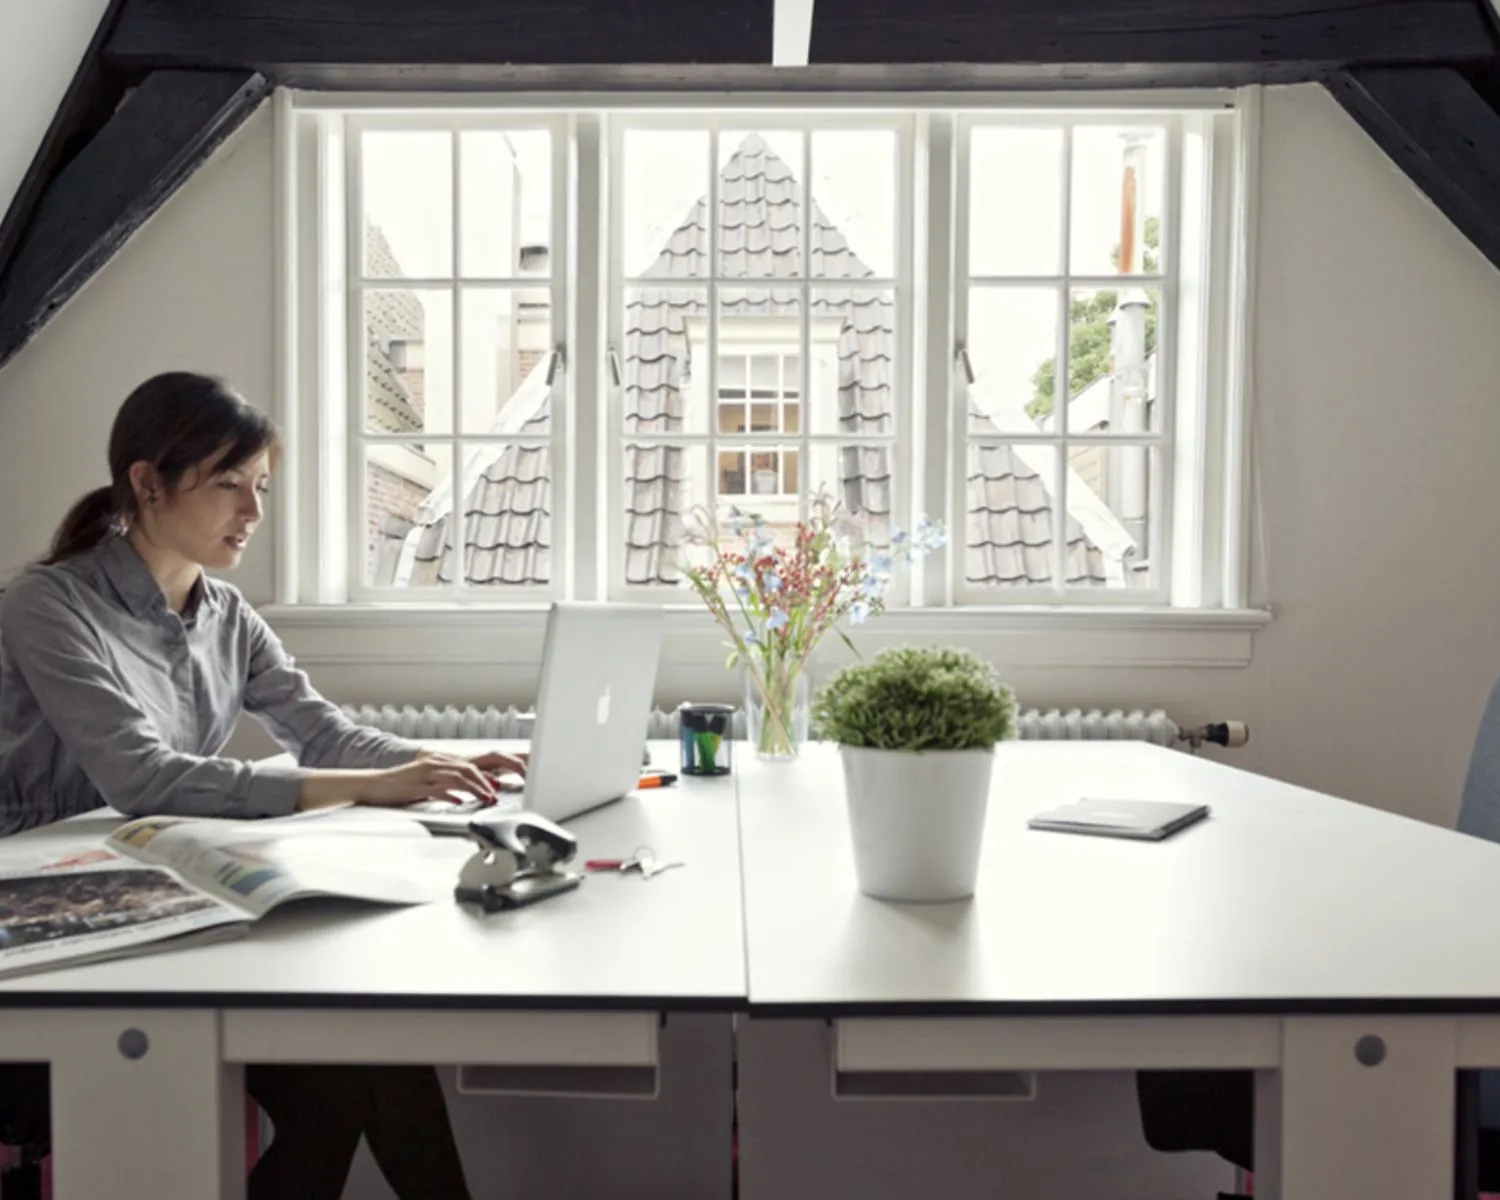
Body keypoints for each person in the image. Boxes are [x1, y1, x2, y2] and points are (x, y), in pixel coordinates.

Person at [0, 371, 526, 1199]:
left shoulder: (226, 613)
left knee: (373, 1045)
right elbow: (141, 775)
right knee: (346, 1076)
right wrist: (369, 785)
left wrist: (437, 766)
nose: (254, 511)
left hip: (159, 890)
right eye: (230, 484)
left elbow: (324, 731)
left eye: (262, 487)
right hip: (47, 919)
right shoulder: (47, 604)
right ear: (147, 483)